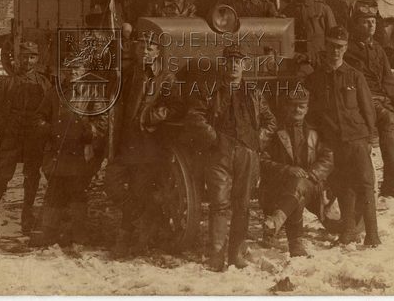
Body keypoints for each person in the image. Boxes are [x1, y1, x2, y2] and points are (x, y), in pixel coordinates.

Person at [187, 44, 277, 271]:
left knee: (243, 205)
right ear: (223, 64)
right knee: (219, 204)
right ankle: (216, 256)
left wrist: (258, 141)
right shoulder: (210, 90)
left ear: (245, 65)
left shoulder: (254, 93)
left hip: (247, 154)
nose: (234, 65)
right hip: (219, 155)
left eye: (239, 61)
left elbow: (270, 121)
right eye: (230, 61)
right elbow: (195, 117)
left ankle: (236, 254)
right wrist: (215, 139)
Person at [104, 32, 182, 257]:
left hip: (148, 145)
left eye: (150, 48)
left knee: (139, 190)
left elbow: (176, 106)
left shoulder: (166, 78)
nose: (145, 51)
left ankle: (128, 236)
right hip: (124, 143)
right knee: (112, 184)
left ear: (158, 51)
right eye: (141, 47)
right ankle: (149, 221)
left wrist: (156, 115)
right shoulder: (128, 74)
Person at [305, 26, 381, 247]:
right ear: (325, 47)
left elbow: (368, 109)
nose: (335, 51)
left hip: (357, 139)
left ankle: (372, 235)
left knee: (365, 184)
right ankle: (348, 231)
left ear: (346, 48)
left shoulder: (354, 76)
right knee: (344, 186)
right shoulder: (316, 79)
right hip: (334, 142)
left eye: (339, 47)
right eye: (331, 46)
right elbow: (312, 113)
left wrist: (370, 138)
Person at [0, 41, 50, 236]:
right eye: (24, 57)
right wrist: (5, 130)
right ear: (17, 58)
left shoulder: (44, 83)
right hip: (11, 136)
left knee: (32, 174)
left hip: (34, 137)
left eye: (32, 57)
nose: (27, 61)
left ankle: (27, 214)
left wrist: (43, 131)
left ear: (37, 59)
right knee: (1, 174)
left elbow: (49, 110)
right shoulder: (6, 83)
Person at [28, 65, 108, 248]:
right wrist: (48, 130)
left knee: (77, 192)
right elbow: (39, 116)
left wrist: (88, 133)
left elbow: (102, 122)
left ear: (85, 72)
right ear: (62, 71)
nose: (73, 73)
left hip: (79, 152)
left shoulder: (93, 93)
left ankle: (79, 232)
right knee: (55, 190)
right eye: (69, 69)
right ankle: (49, 231)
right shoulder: (54, 92)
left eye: (78, 69)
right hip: (57, 151)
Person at [344, 5, 394, 201]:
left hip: (382, 97)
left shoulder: (378, 49)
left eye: (373, 22)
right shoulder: (348, 49)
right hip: (363, 99)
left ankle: (391, 183)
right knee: (387, 120)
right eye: (365, 22)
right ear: (356, 25)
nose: (370, 25)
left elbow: (388, 79)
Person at [259, 88, 334, 258]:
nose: (297, 110)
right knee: (296, 191)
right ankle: (295, 244)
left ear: (307, 109)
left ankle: (276, 220)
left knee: (298, 185)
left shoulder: (316, 131)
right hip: (280, 185)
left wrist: (311, 174)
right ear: (286, 107)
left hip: (313, 185)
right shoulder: (275, 132)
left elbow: (328, 157)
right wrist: (287, 170)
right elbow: (262, 160)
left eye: (301, 106)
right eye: (293, 106)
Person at [282, 0, 336, 70]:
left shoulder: (323, 9)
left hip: (319, 60)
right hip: (296, 60)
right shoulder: (288, 10)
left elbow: (333, 37)